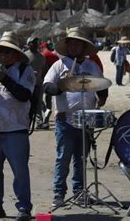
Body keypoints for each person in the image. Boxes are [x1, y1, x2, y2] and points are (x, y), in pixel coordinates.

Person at [43, 27, 108, 207]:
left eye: (77, 43)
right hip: (65, 119)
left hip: (86, 120)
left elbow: (102, 85)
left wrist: (103, 97)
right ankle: (59, 194)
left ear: (83, 46)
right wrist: (61, 86)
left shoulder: (91, 65)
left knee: (81, 158)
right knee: (63, 157)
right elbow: (47, 86)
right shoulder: (59, 65)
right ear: (67, 45)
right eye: (71, 43)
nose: (74, 46)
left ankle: (79, 191)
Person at [0, 31, 35, 221]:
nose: (2, 56)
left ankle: (24, 208)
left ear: (16, 54)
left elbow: (24, 95)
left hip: (15, 129)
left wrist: (4, 78)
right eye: (0, 51)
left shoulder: (25, 71)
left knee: (20, 172)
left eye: (7, 52)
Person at [24, 37, 46, 129]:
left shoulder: (41, 57)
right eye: (33, 42)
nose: (36, 44)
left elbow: (44, 69)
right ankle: (26, 121)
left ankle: (39, 121)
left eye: (37, 42)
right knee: (27, 104)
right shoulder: (24, 56)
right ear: (29, 44)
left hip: (38, 83)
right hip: (26, 84)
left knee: (38, 103)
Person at [39, 41, 59, 129]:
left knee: (39, 99)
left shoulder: (43, 55)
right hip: (54, 80)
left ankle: (45, 111)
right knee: (49, 98)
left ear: (42, 48)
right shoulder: (54, 55)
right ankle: (48, 109)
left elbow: (42, 68)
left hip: (45, 79)